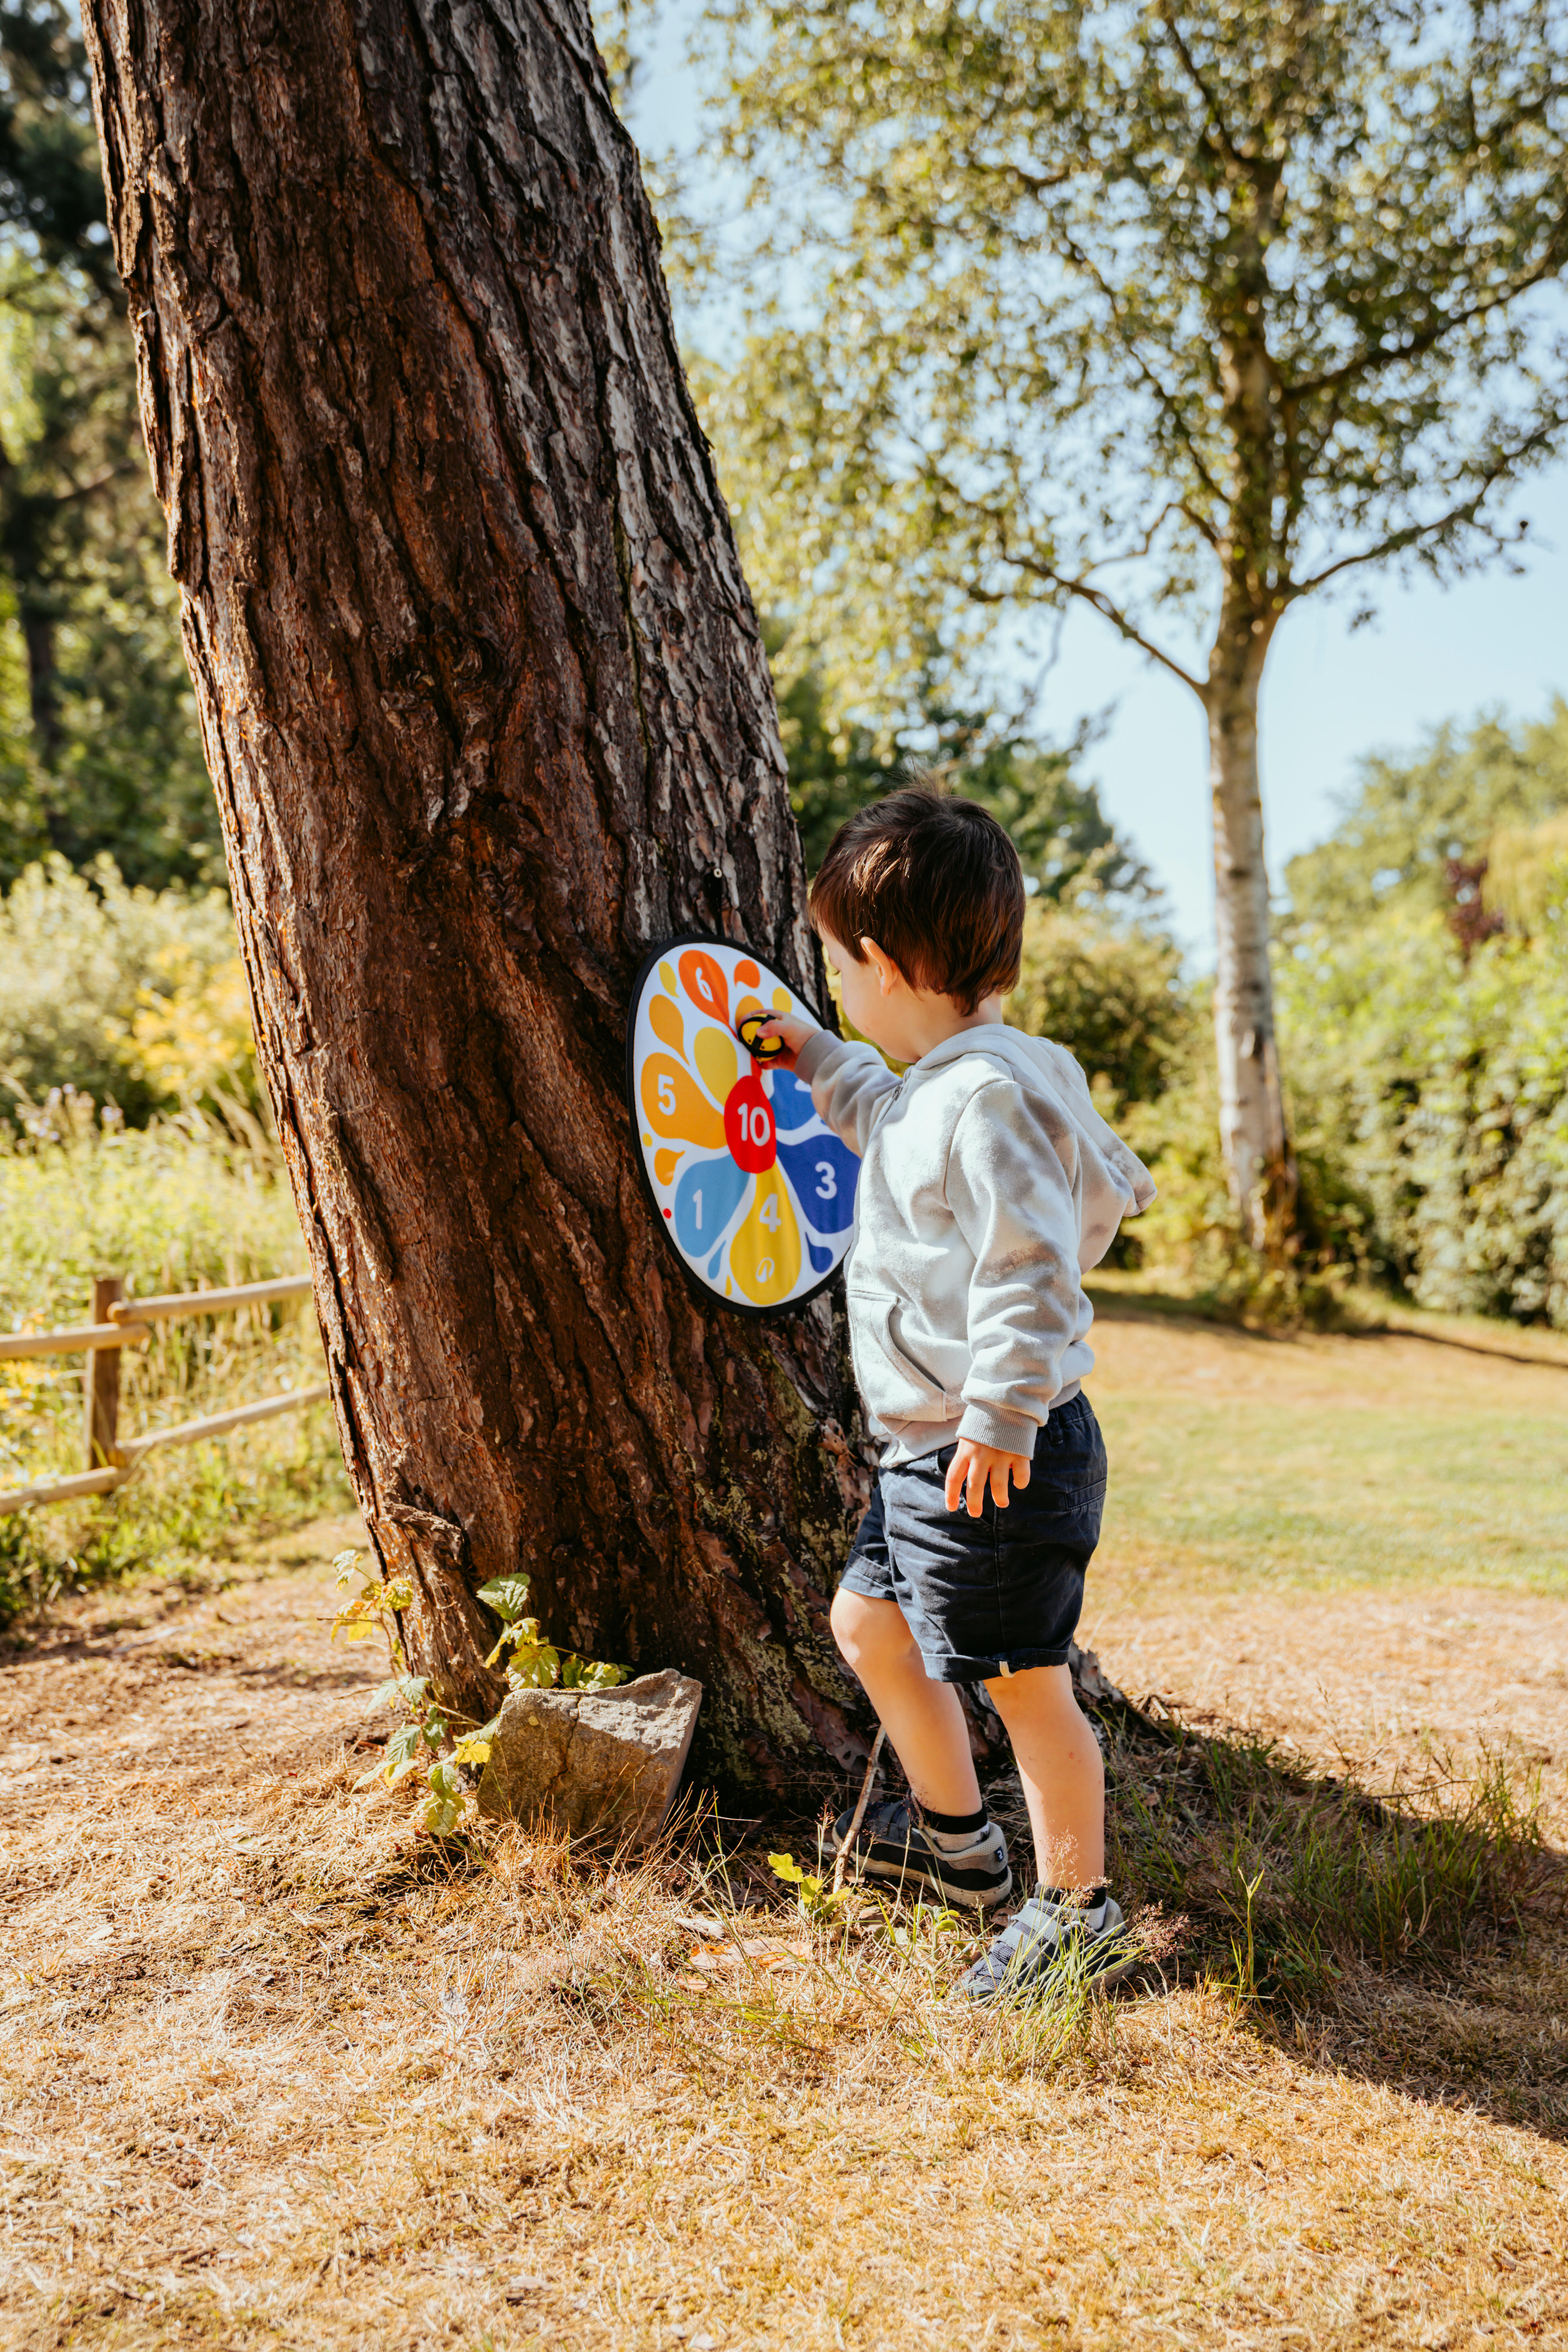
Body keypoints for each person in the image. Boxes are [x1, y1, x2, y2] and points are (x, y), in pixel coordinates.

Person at [754, 787, 1155, 2002]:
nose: (834, 988)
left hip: (994, 1449)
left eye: (834, 970)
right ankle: (958, 1854)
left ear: (884, 963)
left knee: (1025, 1681)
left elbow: (1029, 1270)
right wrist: (812, 1054)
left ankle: (1074, 1909)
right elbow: (881, 1117)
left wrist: (1000, 1416)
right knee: (867, 1625)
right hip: (927, 1454)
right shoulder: (940, 1083)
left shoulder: (983, 1100)